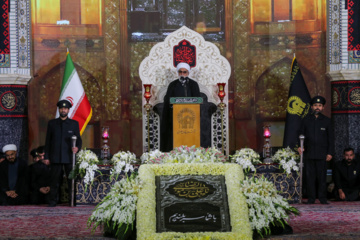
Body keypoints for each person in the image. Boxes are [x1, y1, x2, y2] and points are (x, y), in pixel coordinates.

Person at [44, 99, 82, 207]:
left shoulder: (74, 124)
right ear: (59, 109)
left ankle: (72, 201)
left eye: (65, 108)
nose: (63, 110)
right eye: (61, 108)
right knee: (54, 181)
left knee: (71, 181)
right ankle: (52, 202)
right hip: (55, 157)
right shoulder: (52, 123)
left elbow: (79, 140)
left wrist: (77, 148)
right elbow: (48, 141)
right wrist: (46, 156)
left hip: (69, 157)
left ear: (68, 110)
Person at [298, 96, 334, 204]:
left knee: (322, 177)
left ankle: (322, 198)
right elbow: (300, 134)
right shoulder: (306, 120)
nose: (317, 107)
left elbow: (331, 138)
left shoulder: (327, 121)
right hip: (309, 153)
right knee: (310, 178)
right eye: (315, 105)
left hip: (322, 154)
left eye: (319, 105)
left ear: (323, 107)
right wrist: (300, 146)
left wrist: (330, 152)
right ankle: (311, 198)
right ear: (312, 107)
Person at [160, 62, 201, 152]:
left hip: (191, 119)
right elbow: (168, 101)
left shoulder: (193, 84)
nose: (182, 74)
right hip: (175, 119)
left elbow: (198, 101)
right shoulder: (173, 85)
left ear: (188, 73)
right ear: (178, 73)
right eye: (180, 72)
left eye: (184, 72)